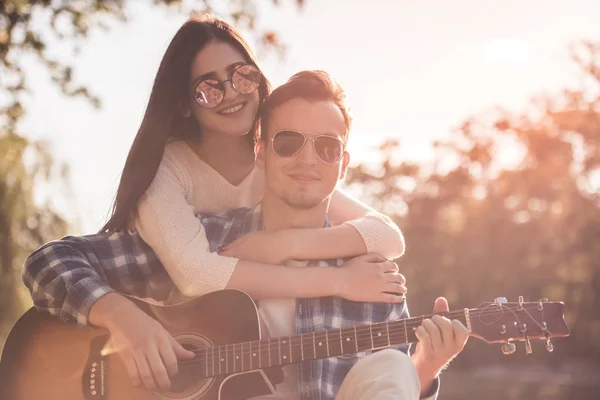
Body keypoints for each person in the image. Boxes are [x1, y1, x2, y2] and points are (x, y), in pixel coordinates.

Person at [23, 13, 408, 393]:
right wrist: (123, 318)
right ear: (185, 105)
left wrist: (282, 244)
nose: (233, 94)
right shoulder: (170, 174)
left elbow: (385, 236)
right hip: (187, 287)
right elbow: (195, 275)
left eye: (242, 75)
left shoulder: (289, 162)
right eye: (209, 88)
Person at [190, 70, 469, 399]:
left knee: (392, 366)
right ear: (261, 151)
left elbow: (390, 388)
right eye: (289, 142)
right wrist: (132, 325)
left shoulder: (374, 278)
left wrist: (426, 365)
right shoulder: (204, 237)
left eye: (327, 147)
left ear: (343, 164)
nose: (308, 159)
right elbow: (110, 267)